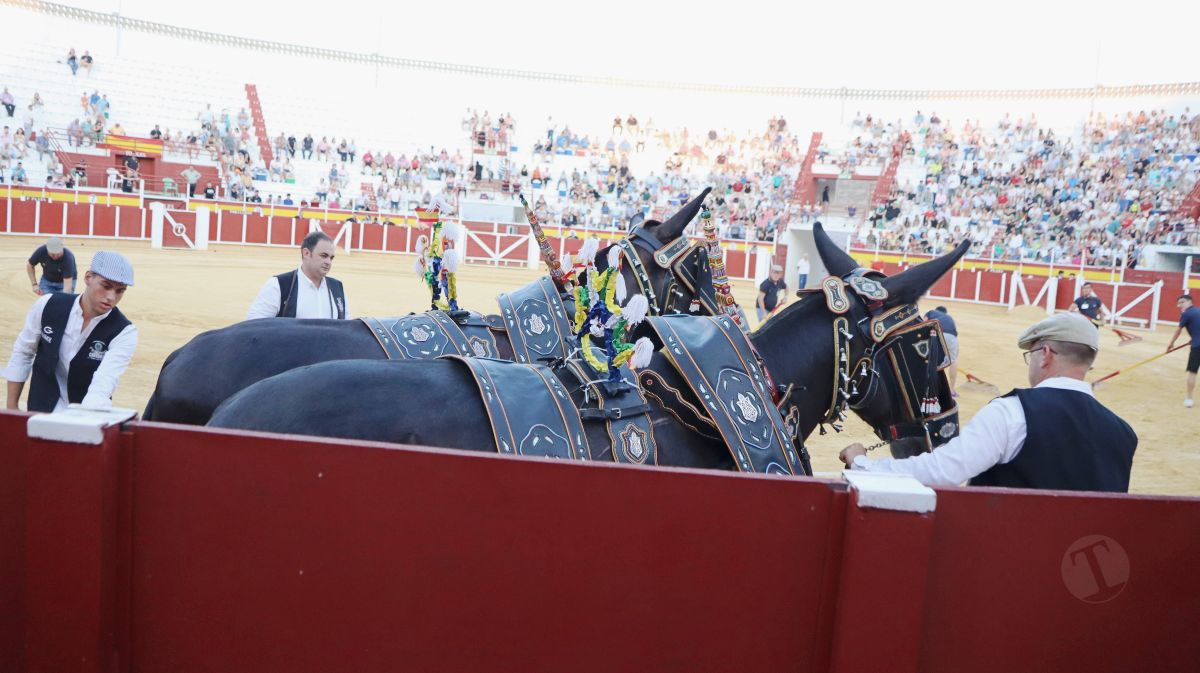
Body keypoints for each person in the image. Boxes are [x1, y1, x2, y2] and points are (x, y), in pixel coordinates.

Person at [839, 313, 1137, 493]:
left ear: (1045, 354)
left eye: (1030, 355)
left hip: (1009, 568)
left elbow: (944, 472)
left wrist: (863, 464)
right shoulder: (1123, 433)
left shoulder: (1013, 413)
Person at [4, 251, 138, 412]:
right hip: (39, 410)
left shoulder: (125, 332)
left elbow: (103, 383)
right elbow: (23, 352)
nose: (111, 297)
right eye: (106, 286)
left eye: (120, 291)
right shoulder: (47, 304)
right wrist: (11, 408)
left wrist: (80, 425)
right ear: (88, 277)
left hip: (84, 419)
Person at [246, 231, 347, 320]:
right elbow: (255, 325)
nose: (328, 262)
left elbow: (345, 327)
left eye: (331, 258)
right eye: (324, 256)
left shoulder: (337, 287)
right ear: (306, 253)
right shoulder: (278, 285)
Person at [1166, 294, 1200, 408]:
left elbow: (1178, 330)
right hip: (1196, 342)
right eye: (1179, 303)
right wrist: (1194, 337)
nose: (1179, 305)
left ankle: (1189, 398)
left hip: (1197, 346)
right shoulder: (1198, 311)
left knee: (1192, 372)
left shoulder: (1186, 314)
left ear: (1190, 301)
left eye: (1182, 302)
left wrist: (1171, 344)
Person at [925, 305, 958, 397]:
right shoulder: (949, 317)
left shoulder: (931, 312)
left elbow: (923, 323)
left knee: (931, 359)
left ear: (936, 310)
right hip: (952, 336)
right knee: (953, 360)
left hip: (938, 332)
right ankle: (952, 390)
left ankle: (930, 388)